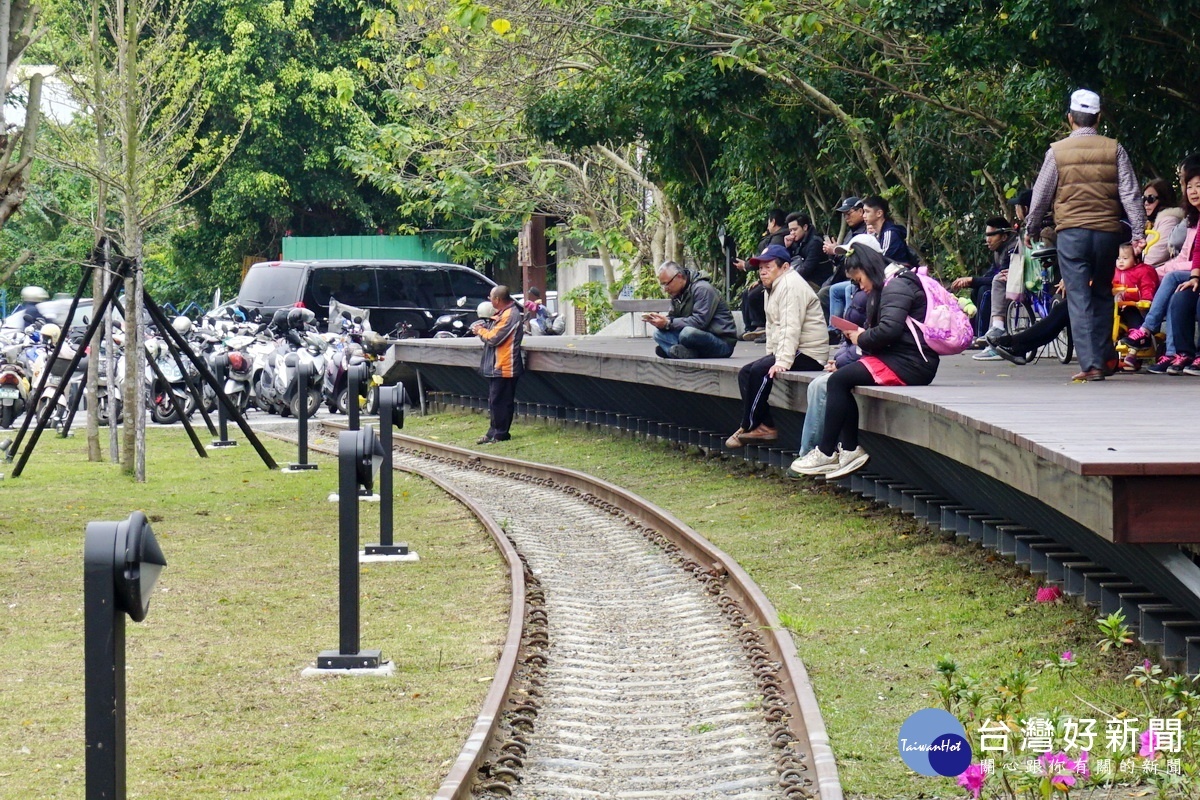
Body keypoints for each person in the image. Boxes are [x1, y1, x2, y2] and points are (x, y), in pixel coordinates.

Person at [1025, 88, 1145, 381]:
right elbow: (1130, 192)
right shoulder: (1114, 148)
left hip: (1072, 233)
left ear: (1070, 118)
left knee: (1078, 296)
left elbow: (1041, 194)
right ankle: (1106, 358)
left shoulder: (1057, 151)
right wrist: (1139, 230)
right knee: (1103, 292)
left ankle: (1091, 364)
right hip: (1107, 233)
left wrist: (1032, 227)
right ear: (1098, 117)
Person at [790, 247, 940, 479]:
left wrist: (861, 336)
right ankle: (848, 450)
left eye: (859, 280)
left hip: (912, 363)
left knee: (839, 380)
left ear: (869, 269)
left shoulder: (897, 286)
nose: (860, 286)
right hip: (901, 358)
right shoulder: (891, 284)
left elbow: (889, 330)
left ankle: (828, 452)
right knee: (840, 380)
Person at [725, 244, 827, 448]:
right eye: (760, 267)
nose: (762, 271)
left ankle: (748, 425)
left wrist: (782, 361)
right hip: (793, 349)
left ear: (785, 267)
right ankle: (763, 425)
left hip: (809, 352)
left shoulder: (790, 285)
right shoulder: (772, 287)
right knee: (747, 372)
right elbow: (772, 327)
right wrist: (770, 355)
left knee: (760, 371)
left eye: (768, 266)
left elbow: (791, 327)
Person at [1121, 155, 1200, 373]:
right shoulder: (1193, 218)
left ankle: (1147, 330)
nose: (1192, 191)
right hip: (1190, 271)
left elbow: (1188, 258)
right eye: (1188, 185)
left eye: (1198, 186)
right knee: (1177, 292)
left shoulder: (1170, 219)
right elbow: (1188, 255)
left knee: (1171, 279)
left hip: (1190, 271)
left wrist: (1156, 271)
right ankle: (1175, 354)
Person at [950, 217, 1021, 359]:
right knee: (977, 289)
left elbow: (1004, 277)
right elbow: (990, 275)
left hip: (1015, 287)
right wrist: (972, 281)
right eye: (986, 235)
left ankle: (984, 336)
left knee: (985, 291)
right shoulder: (998, 251)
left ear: (1004, 236)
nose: (987, 240)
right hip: (1002, 285)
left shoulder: (1012, 249)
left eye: (991, 235)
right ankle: (976, 334)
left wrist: (973, 280)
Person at [644, 261, 738, 359]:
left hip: (721, 342)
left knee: (687, 333)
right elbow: (673, 318)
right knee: (658, 334)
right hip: (694, 337)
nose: (665, 289)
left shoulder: (702, 289)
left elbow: (700, 322)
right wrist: (660, 321)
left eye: (666, 284)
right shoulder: (677, 294)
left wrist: (668, 323)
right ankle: (683, 352)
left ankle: (674, 351)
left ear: (679, 276)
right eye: (662, 285)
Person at [469, 285, 524, 444]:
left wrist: (480, 330)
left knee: (502, 401)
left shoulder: (510, 315)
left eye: (491, 297)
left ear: (498, 299)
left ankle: (501, 434)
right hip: (497, 366)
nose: (489, 300)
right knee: (495, 401)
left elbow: (494, 338)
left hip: (505, 366)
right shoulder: (502, 313)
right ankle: (492, 432)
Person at [733, 209, 788, 341]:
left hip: (778, 278)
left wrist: (745, 266)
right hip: (772, 277)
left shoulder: (778, 238)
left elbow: (771, 261)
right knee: (747, 293)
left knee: (754, 295)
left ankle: (761, 326)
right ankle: (751, 328)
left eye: (768, 222)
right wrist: (760, 279)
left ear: (773, 221)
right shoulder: (774, 237)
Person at [820, 196, 868, 323]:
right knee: (827, 289)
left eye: (849, 213)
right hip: (844, 276)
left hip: (858, 278)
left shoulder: (865, 232)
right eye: (844, 215)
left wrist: (836, 251)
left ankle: (840, 329)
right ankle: (833, 329)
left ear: (861, 212)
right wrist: (833, 253)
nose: (846, 217)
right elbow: (841, 262)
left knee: (829, 291)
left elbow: (855, 257)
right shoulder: (850, 233)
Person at [860, 195, 915, 266]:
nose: (864, 216)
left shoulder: (890, 233)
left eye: (867, 212)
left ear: (879, 213)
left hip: (898, 274)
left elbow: (882, 261)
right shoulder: (875, 233)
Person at [784, 212, 832, 290]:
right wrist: (788, 247)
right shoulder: (798, 241)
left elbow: (806, 269)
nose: (792, 233)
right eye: (790, 230)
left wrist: (788, 280)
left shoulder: (815, 243)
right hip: (805, 280)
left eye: (795, 229)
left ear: (805, 227)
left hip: (817, 283)